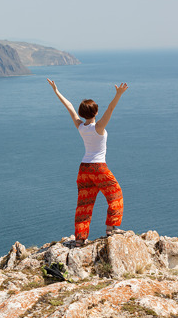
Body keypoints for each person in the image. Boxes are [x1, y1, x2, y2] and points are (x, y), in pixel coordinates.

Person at [47, 79, 128, 246]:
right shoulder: (99, 127)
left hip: (83, 169)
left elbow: (68, 107)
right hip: (99, 167)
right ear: (96, 111)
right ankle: (111, 228)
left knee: (84, 204)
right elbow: (111, 109)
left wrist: (56, 91)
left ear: (82, 113)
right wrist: (118, 94)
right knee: (116, 194)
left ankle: (79, 239)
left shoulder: (81, 126)